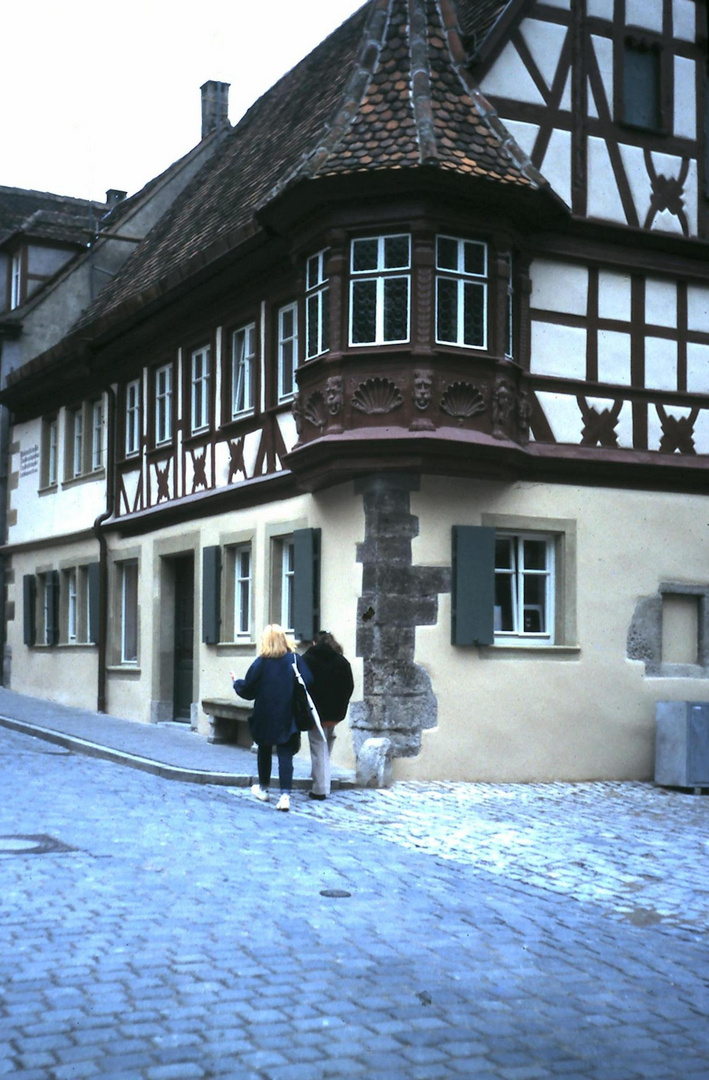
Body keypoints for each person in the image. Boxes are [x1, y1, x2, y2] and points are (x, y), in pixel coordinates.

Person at [231, 624, 313, 812]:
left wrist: (236, 682)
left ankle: (264, 788)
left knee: (264, 750)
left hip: (265, 714)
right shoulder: (294, 659)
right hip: (288, 714)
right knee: (285, 755)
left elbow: (248, 690)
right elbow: (308, 681)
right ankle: (285, 795)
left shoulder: (261, 663)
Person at [303, 631, 354, 801]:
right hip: (335, 712)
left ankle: (320, 789)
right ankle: (319, 774)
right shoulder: (342, 661)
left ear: (314, 643)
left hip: (314, 711)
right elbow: (349, 686)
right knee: (327, 741)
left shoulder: (307, 660)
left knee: (318, 746)